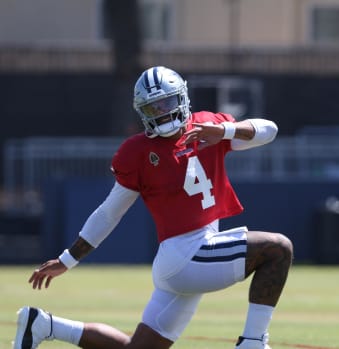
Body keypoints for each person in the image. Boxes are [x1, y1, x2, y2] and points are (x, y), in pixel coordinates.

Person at [13, 66, 294, 349]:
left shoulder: (208, 128)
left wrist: (224, 130)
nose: (161, 112)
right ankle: (253, 342)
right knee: (277, 249)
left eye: (166, 103)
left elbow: (269, 130)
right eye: (151, 108)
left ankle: (42, 325)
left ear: (182, 98)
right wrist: (68, 259)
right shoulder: (137, 152)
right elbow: (110, 212)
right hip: (187, 256)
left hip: (185, 259)